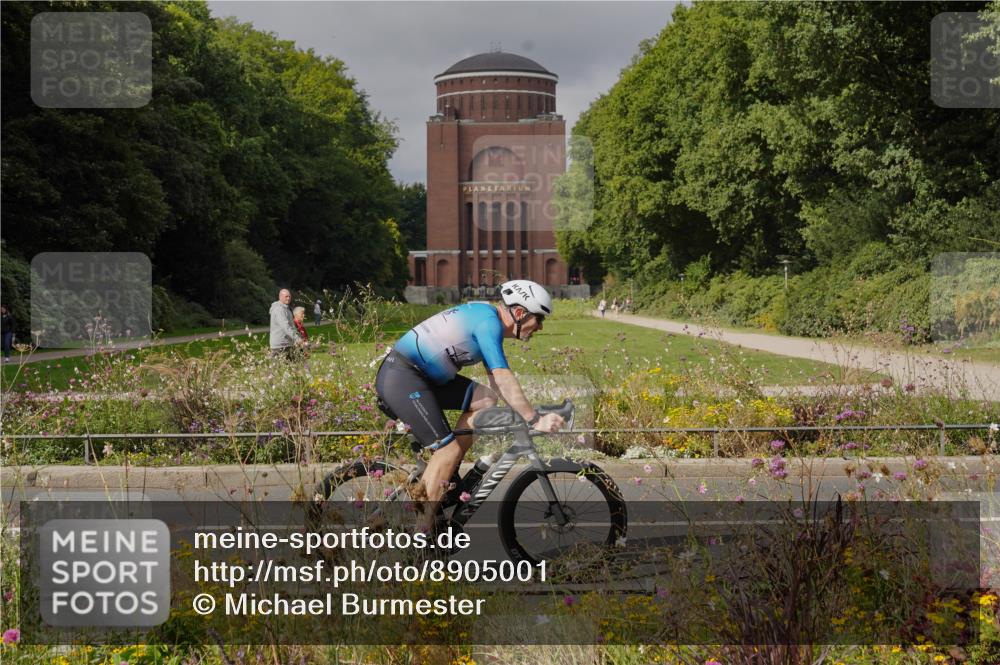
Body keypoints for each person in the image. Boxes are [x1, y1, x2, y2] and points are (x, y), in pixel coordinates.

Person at [375, 279, 565, 531]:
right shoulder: (489, 324)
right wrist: (534, 419)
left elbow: (496, 386)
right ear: (520, 313)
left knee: (485, 399)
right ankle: (421, 533)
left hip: (419, 378)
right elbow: (502, 376)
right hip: (403, 378)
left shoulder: (488, 318)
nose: (539, 327)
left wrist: (523, 414)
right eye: (539, 319)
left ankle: (445, 471)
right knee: (448, 450)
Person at [269, 289, 302, 359]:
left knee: (296, 366)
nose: (288, 298)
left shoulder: (286, 309)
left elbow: (292, 326)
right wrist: (297, 339)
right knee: (277, 369)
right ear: (280, 297)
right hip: (280, 345)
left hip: (288, 344)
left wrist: (298, 337)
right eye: (286, 296)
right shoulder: (279, 309)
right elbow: (286, 327)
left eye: (289, 296)